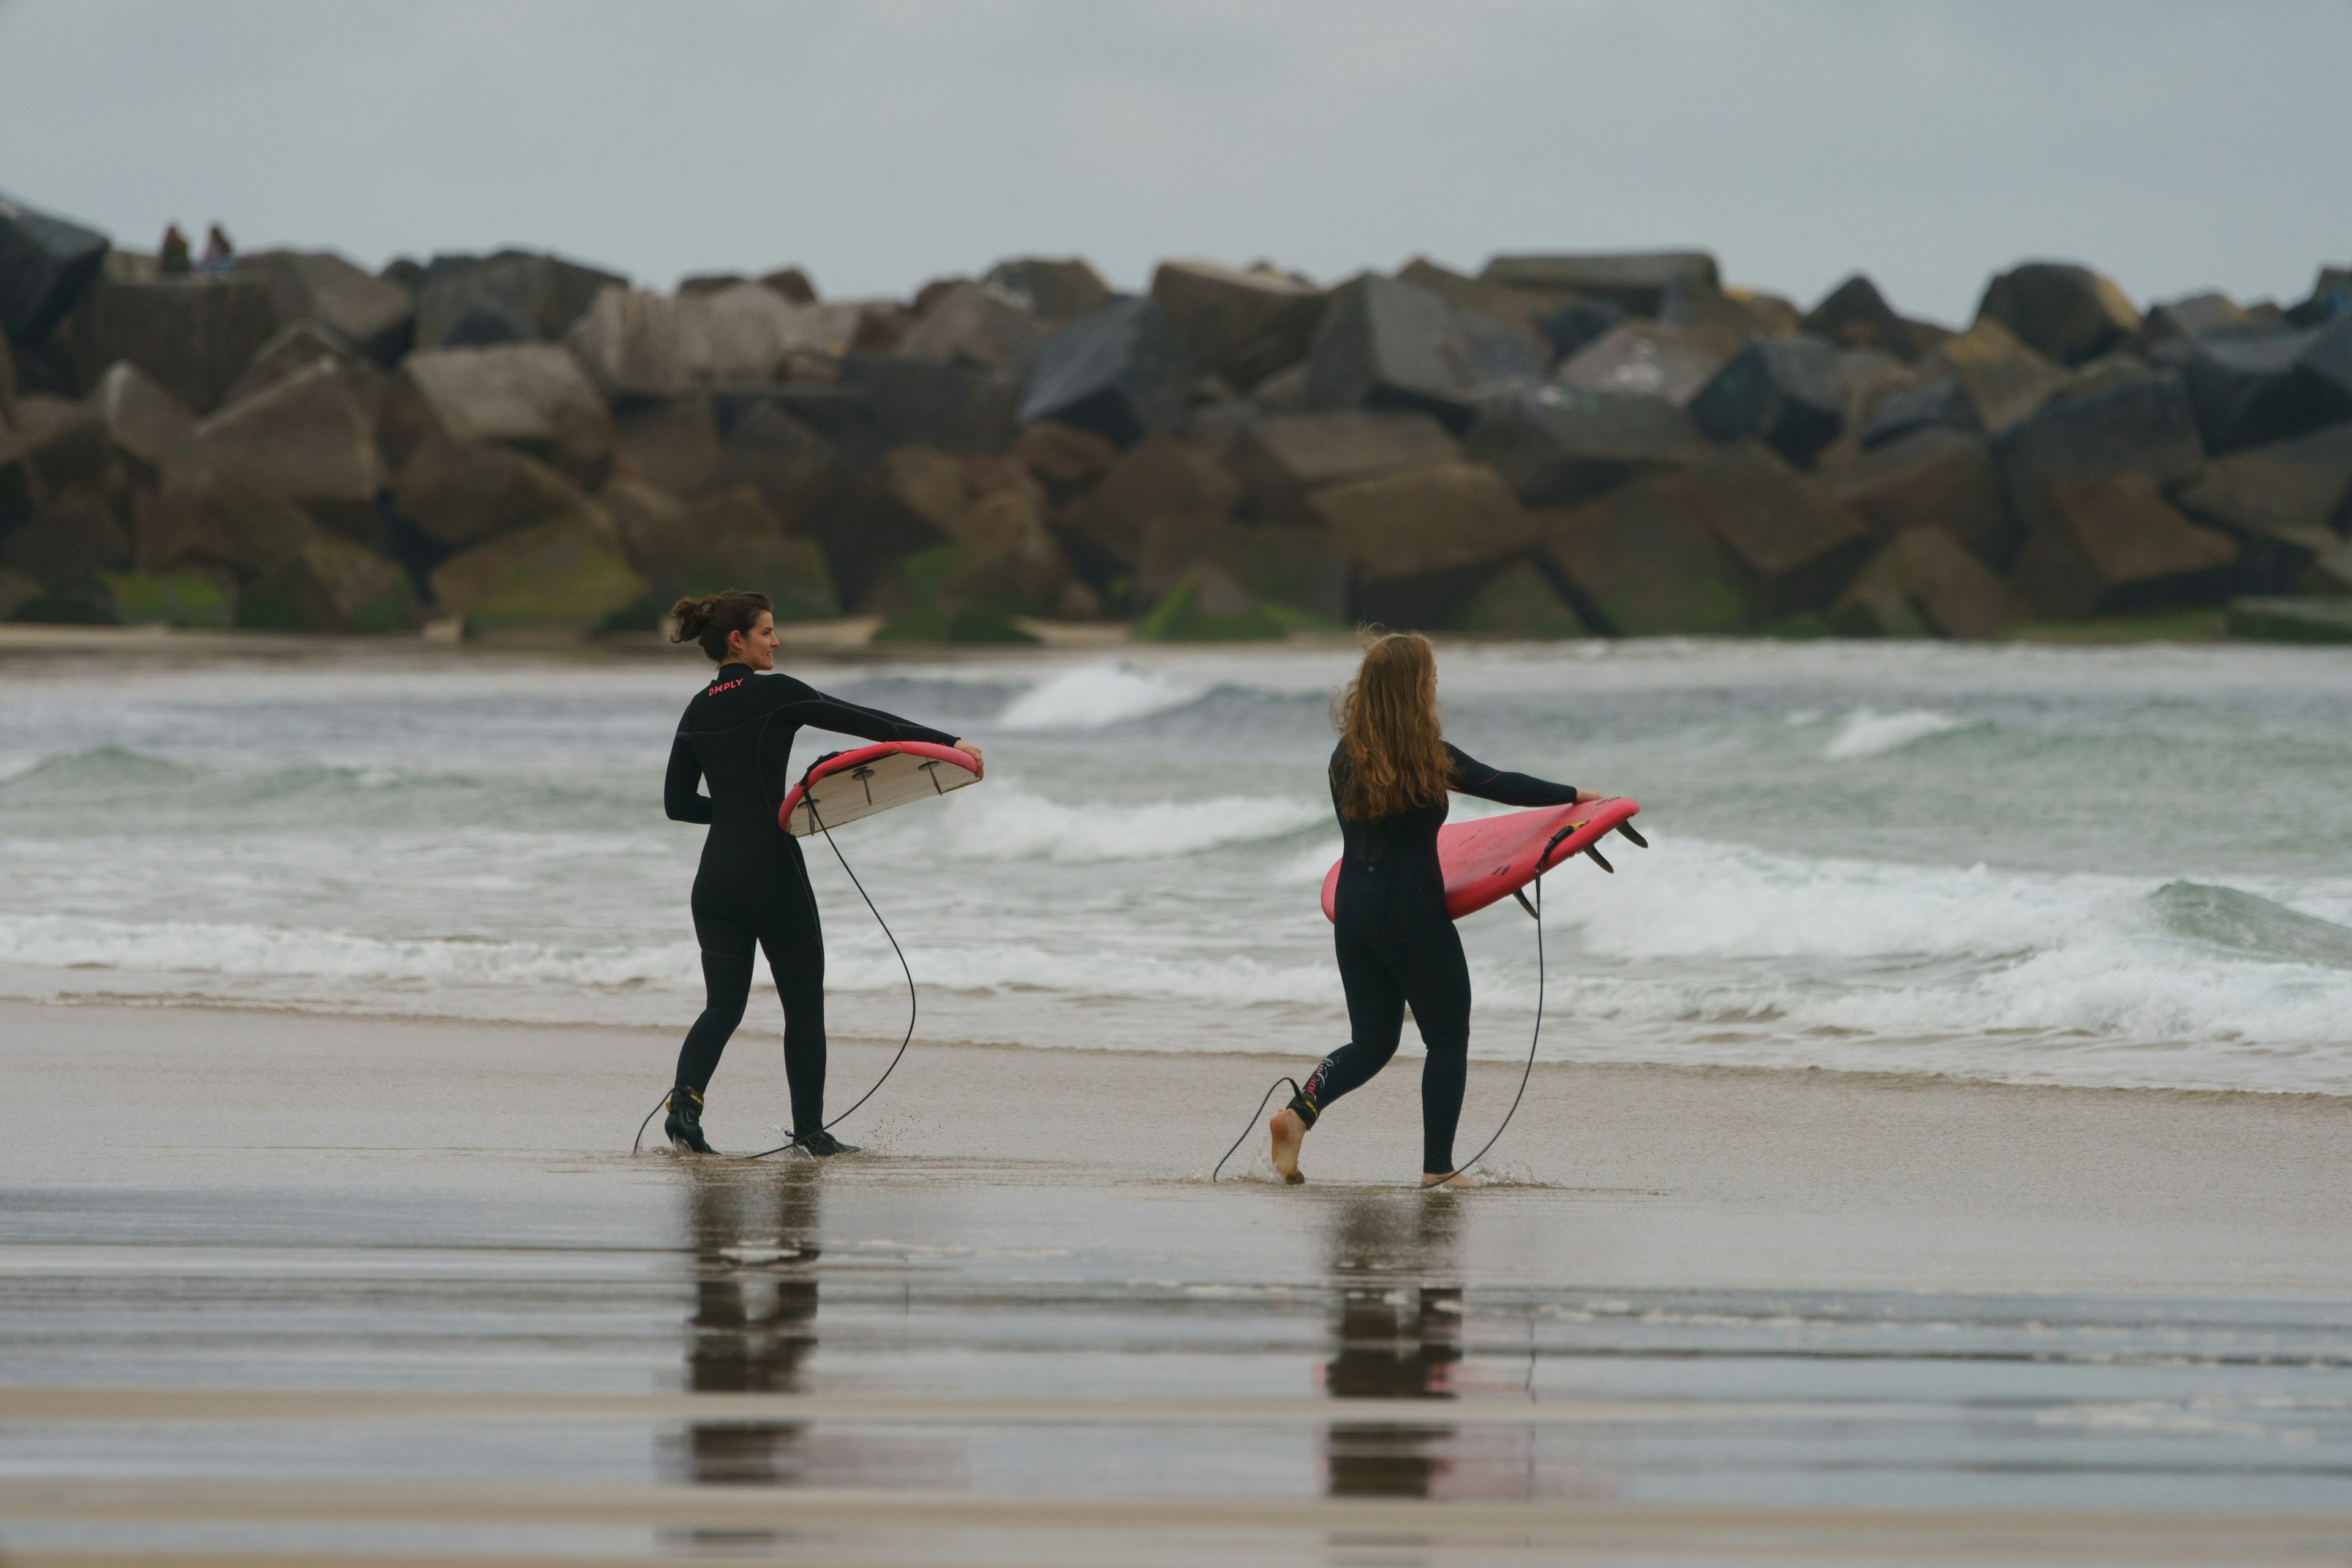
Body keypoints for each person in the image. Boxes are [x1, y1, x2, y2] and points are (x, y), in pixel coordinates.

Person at [1270, 631, 1598, 1189]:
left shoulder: (1344, 758)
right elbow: (1503, 785)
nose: (1436, 683)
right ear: (1413, 688)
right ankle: (1437, 1169)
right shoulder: (1428, 757)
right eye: (1430, 675)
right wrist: (1580, 797)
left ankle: (1299, 1114)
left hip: (1352, 910)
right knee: (1447, 1037)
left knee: (1372, 1041)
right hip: (1409, 910)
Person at [660, 590, 981, 1156]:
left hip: (714, 882)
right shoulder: (776, 693)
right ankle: (809, 1133)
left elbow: (678, 804)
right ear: (739, 640)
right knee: (803, 1007)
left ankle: (684, 1108)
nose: (776, 642)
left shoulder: (696, 708)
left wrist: (741, 814)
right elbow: (862, 721)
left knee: (723, 1007)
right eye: (767, 632)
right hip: (771, 873)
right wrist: (949, 743)